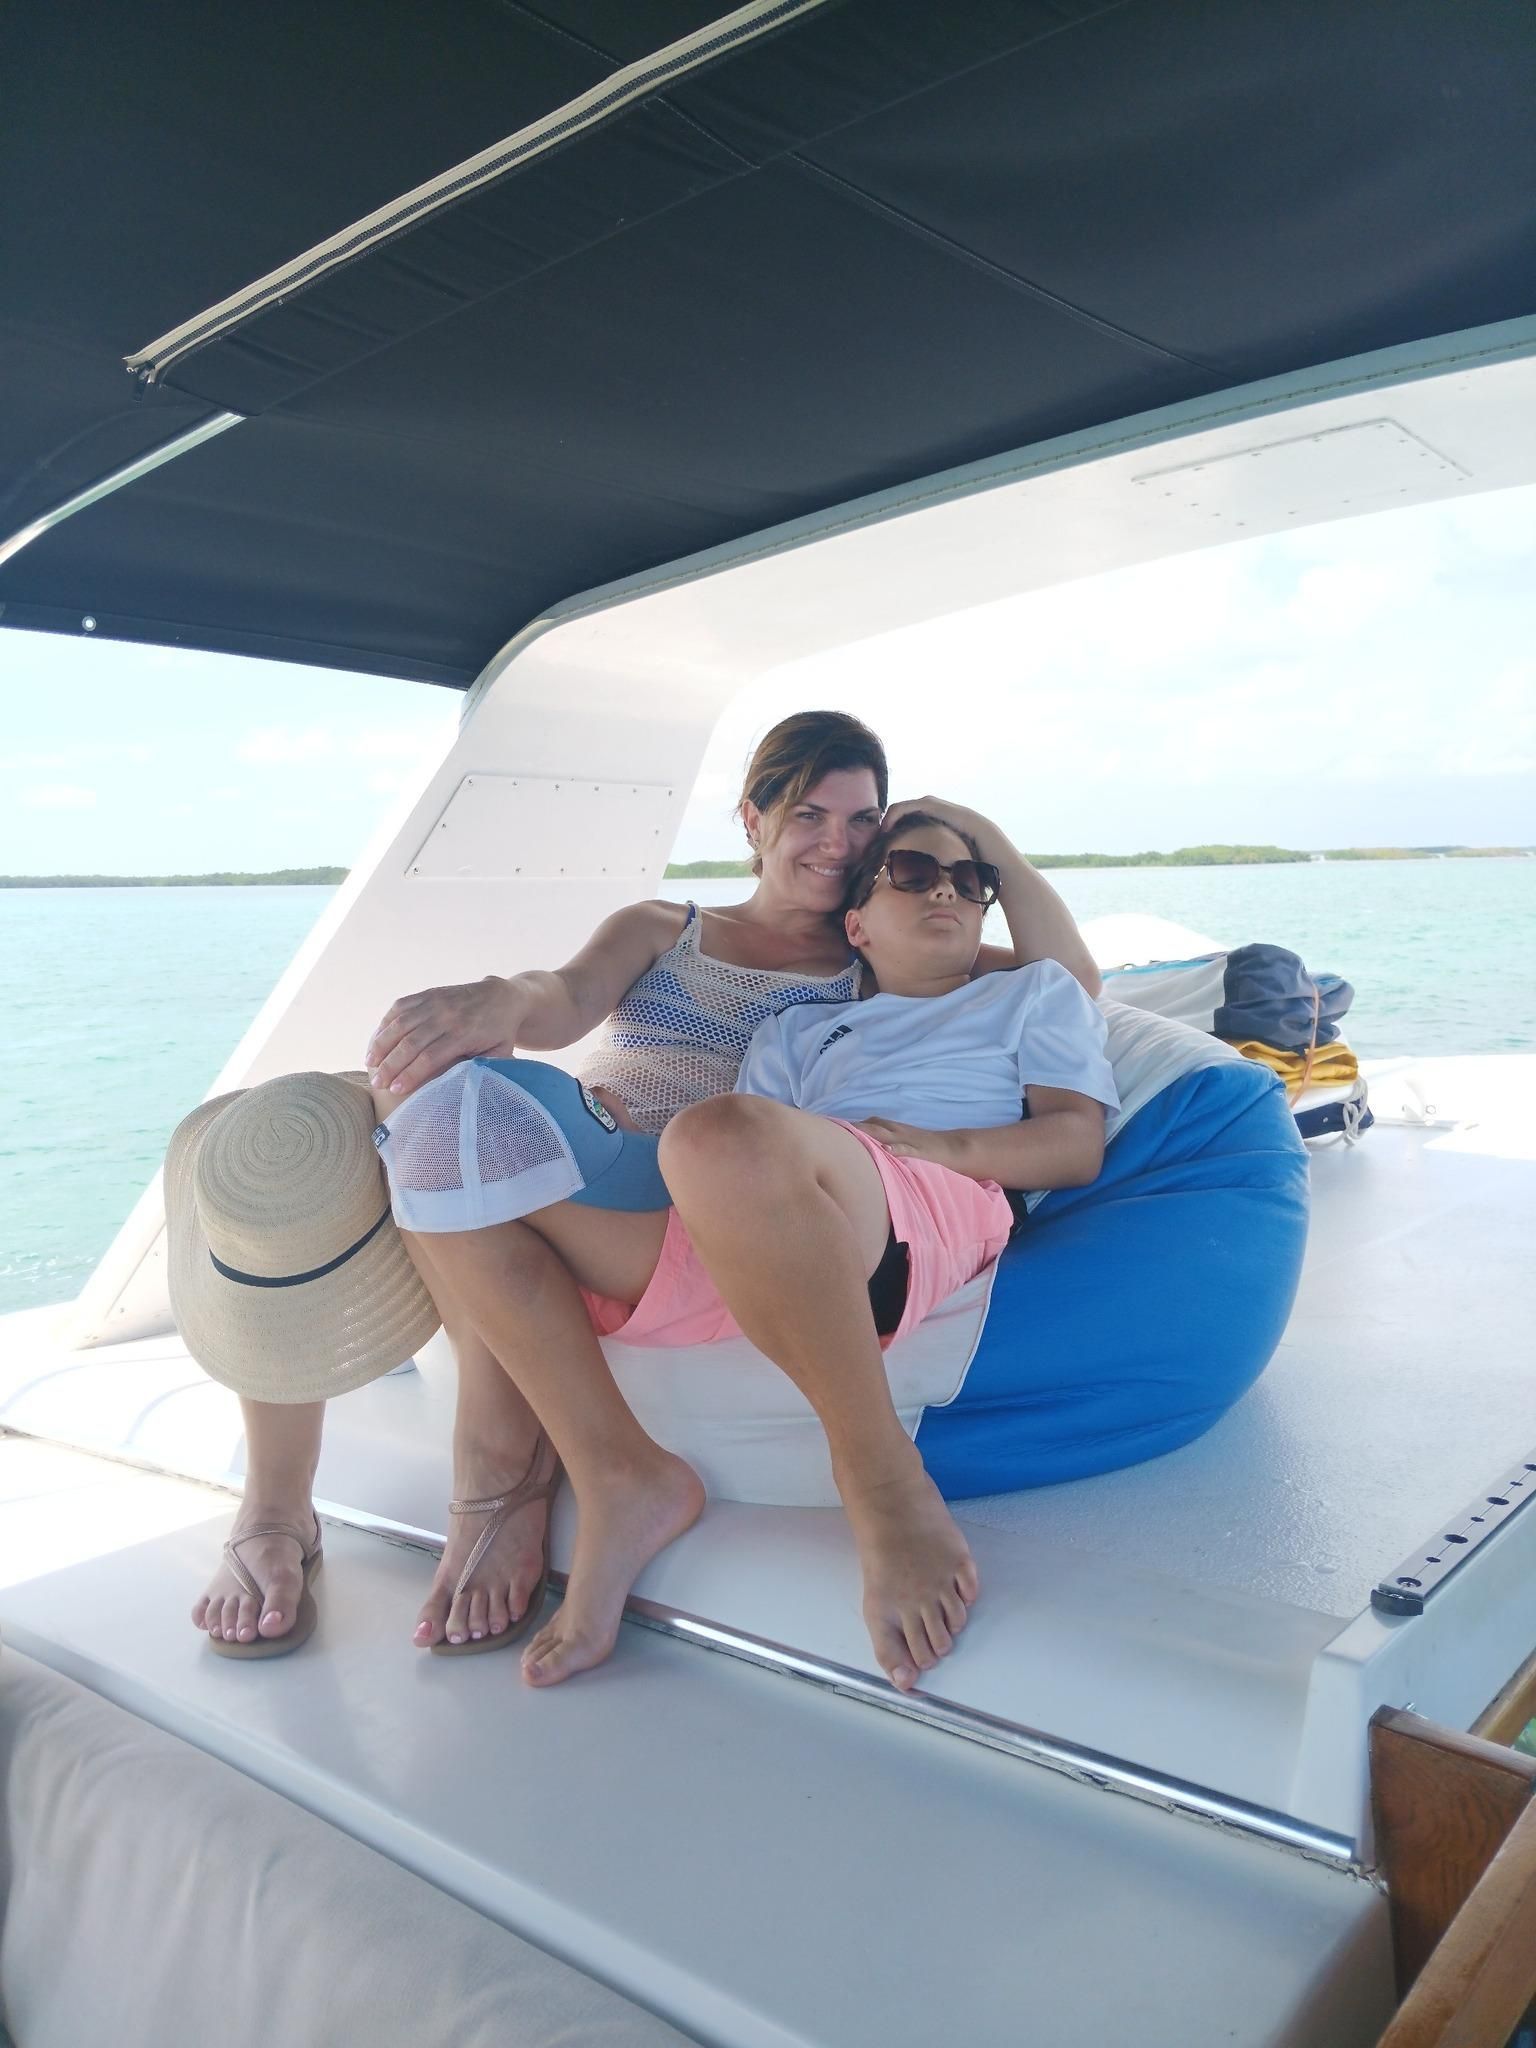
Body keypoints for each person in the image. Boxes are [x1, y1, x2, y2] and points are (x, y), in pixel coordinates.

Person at [190, 710, 1101, 1658]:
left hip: (691, 1183)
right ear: (752, 820)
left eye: (864, 821)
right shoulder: (666, 926)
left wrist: (968, 830)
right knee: (296, 1138)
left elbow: (1062, 980)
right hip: (588, 1148)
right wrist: (504, 998)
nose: (838, 843)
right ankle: (276, 1511)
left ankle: (498, 1479)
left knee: (429, 1110)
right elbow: (566, 998)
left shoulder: (879, 959)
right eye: (807, 815)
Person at [374, 810, 1116, 1693]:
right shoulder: (800, 1032)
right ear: (858, 926)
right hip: (778, 1228)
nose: (948, 890)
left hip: (931, 1196)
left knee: (715, 1133)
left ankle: (877, 1477)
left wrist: (938, 1145)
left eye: (970, 881)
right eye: (914, 873)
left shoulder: (1031, 994)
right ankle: (618, 1474)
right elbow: (734, 1172)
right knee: (437, 1133)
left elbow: (1075, 1143)